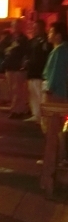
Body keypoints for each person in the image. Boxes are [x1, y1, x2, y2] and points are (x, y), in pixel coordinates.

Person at [41, 22, 68, 162]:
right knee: (58, 128)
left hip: (55, 93)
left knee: (52, 127)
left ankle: (53, 158)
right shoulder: (60, 49)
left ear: (58, 35)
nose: (48, 35)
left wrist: (49, 89)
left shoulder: (59, 51)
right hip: (60, 92)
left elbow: (56, 73)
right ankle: (59, 157)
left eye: (51, 32)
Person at [1, 19, 30, 119]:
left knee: (18, 90)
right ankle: (17, 109)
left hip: (18, 67)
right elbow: (0, 47)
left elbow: (26, 52)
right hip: (9, 66)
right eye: (13, 25)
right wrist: (8, 49)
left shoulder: (24, 39)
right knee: (12, 90)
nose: (15, 27)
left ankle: (17, 110)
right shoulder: (9, 38)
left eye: (17, 25)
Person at [25, 19, 51, 124]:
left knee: (40, 95)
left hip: (40, 72)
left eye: (37, 28)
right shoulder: (33, 40)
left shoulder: (46, 40)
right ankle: (35, 114)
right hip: (32, 71)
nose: (35, 30)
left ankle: (42, 116)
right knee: (33, 94)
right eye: (34, 27)